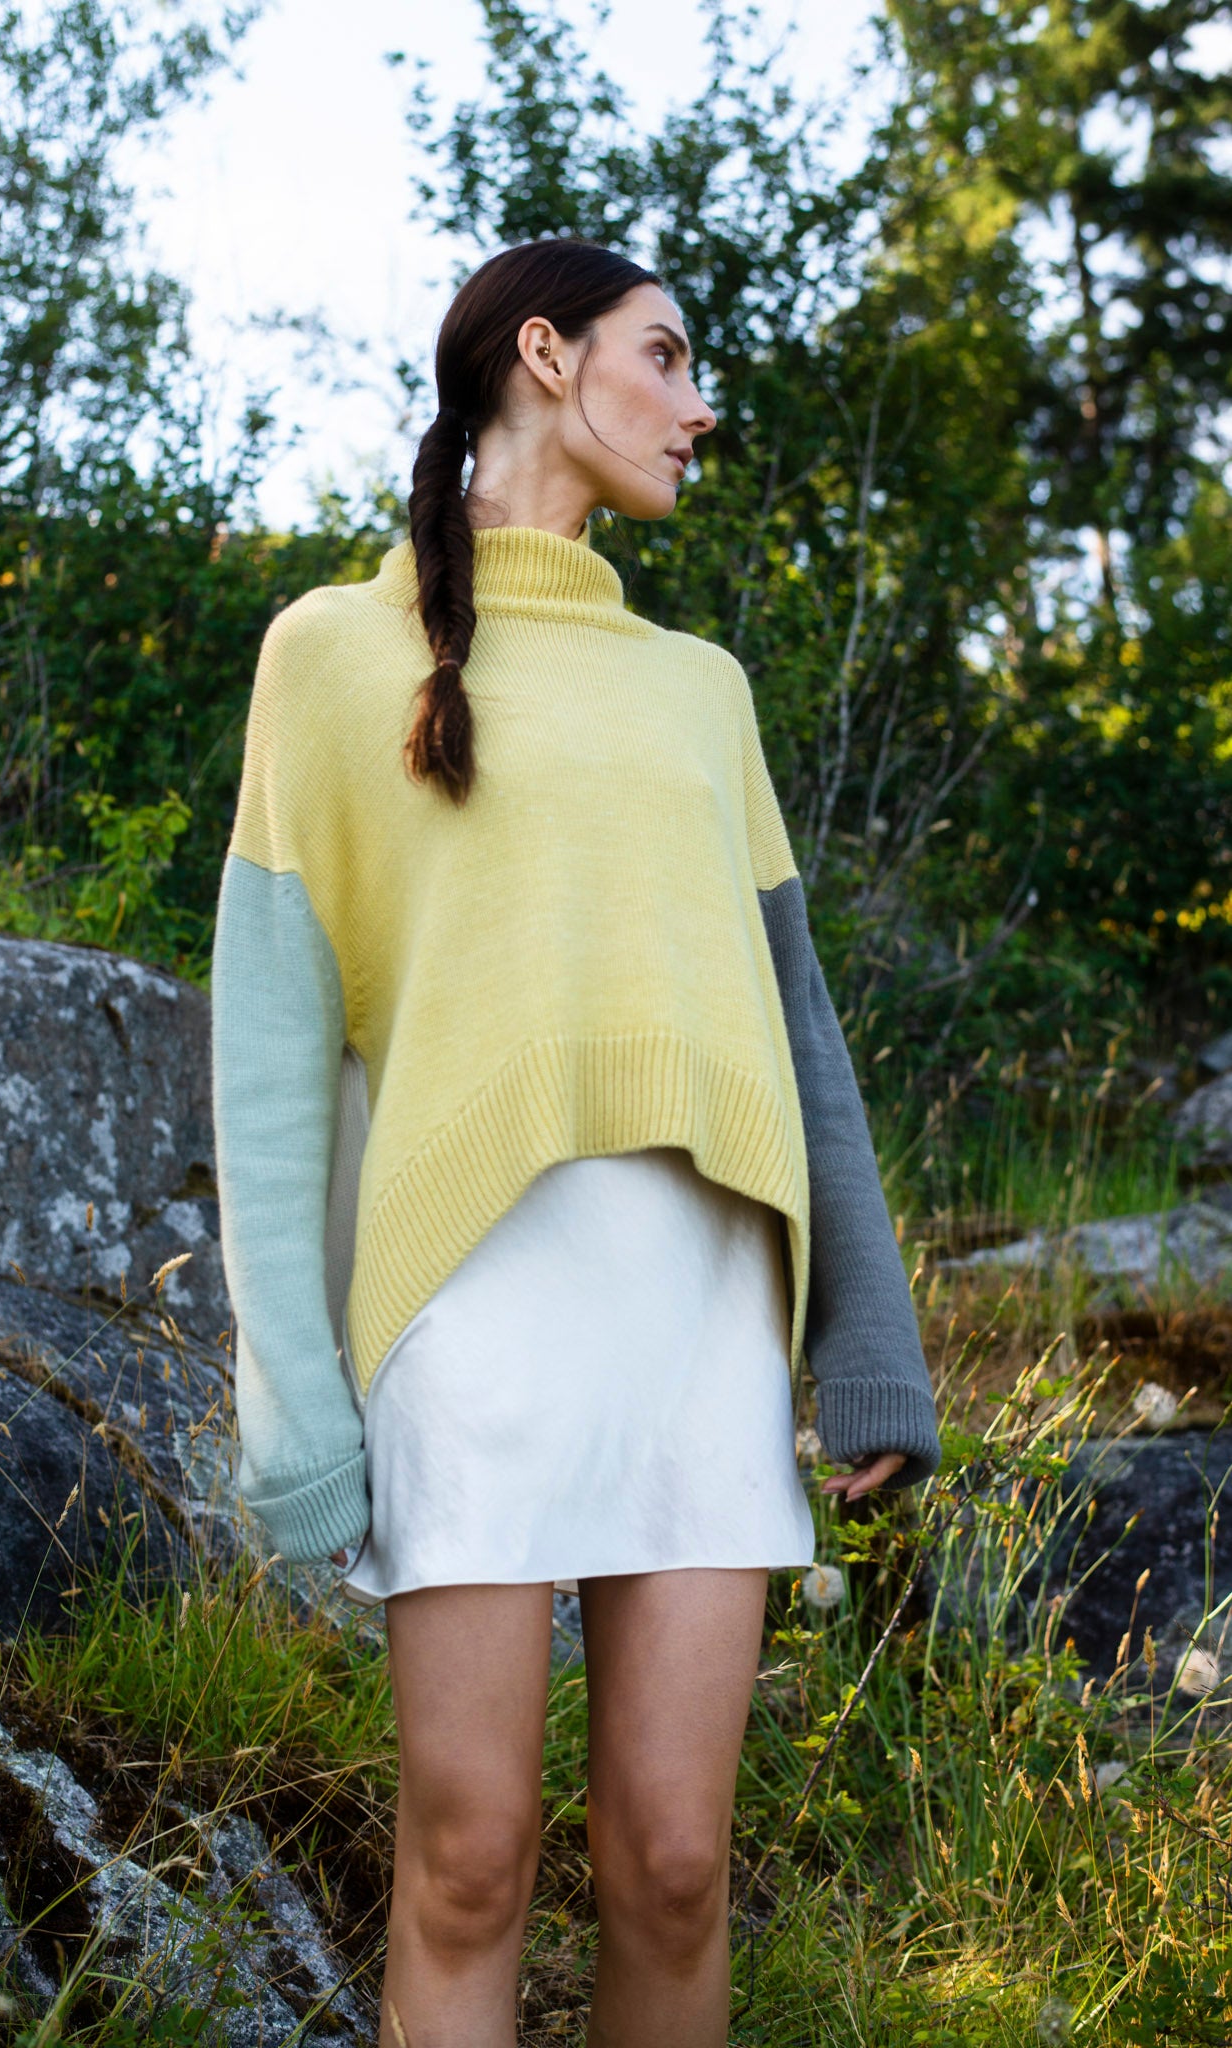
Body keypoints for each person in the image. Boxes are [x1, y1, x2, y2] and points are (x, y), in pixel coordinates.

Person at [210, 237, 941, 2048]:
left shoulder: (704, 689)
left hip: (699, 1315)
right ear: (544, 355)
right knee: (471, 1857)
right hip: (469, 1316)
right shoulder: (330, 655)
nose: (703, 406)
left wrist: (870, 1336)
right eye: (669, 357)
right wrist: (291, 1396)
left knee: (676, 1862)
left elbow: (802, 1034)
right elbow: (273, 1056)